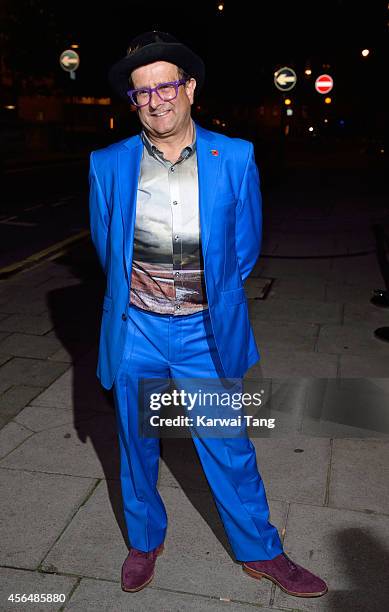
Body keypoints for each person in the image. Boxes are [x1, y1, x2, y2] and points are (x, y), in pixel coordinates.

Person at [89, 30, 328, 599]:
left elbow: (241, 253)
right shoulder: (108, 164)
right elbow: (108, 249)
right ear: (134, 102)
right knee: (136, 443)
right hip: (137, 331)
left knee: (228, 446)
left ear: (190, 88)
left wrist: (200, 300)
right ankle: (145, 540)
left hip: (203, 333)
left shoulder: (236, 157)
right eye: (142, 92)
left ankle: (262, 549)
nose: (157, 100)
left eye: (167, 85)